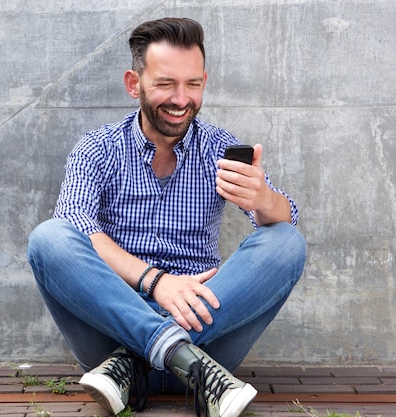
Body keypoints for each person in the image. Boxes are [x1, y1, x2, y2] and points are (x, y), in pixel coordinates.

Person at [27, 17, 306, 417]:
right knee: (49, 238)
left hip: (205, 337)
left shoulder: (220, 148)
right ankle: (167, 348)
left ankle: (139, 357)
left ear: (203, 81)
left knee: (287, 242)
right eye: (165, 84)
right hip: (110, 332)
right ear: (133, 83)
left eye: (192, 84)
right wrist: (156, 283)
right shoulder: (97, 149)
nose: (181, 98)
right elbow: (77, 225)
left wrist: (263, 198)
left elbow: (285, 219)